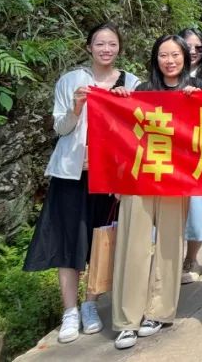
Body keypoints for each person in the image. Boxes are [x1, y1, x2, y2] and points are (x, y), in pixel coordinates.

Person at [23, 23, 138, 345]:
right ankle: (69, 311)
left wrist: (126, 104)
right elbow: (60, 128)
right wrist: (76, 107)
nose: (106, 49)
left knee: (100, 241)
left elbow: (136, 131)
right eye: (100, 43)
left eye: (111, 44)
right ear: (89, 47)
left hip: (108, 176)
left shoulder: (131, 83)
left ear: (119, 48)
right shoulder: (71, 81)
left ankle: (90, 304)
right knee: (68, 242)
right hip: (71, 174)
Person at [110, 35, 198, 349]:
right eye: (163, 55)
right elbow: (121, 132)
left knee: (170, 245)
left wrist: (201, 99)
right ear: (155, 58)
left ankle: (159, 312)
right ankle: (127, 320)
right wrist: (119, 98)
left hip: (176, 179)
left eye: (175, 55)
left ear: (185, 58)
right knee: (132, 244)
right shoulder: (141, 91)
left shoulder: (195, 90)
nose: (170, 61)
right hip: (140, 177)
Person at [179, 28, 202, 285]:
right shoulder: (162, 77)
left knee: (199, 208)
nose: (193, 52)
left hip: (201, 151)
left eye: (198, 48)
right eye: (187, 46)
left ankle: (191, 259)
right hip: (170, 151)